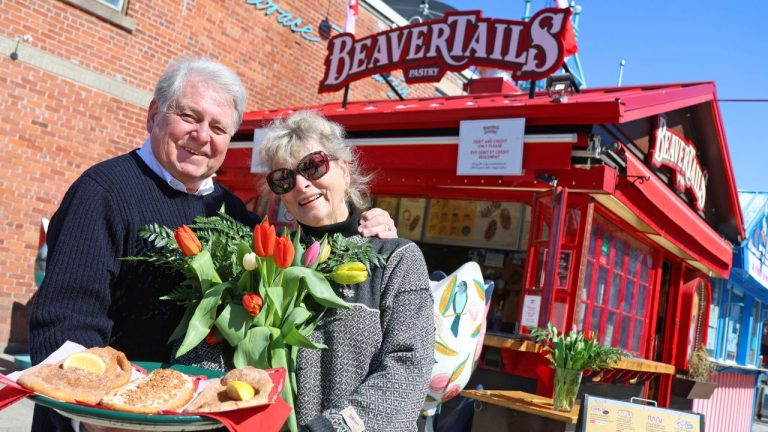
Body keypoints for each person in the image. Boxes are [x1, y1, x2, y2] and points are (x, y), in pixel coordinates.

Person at [28, 58, 397, 432]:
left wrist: (365, 225)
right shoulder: (102, 192)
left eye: (218, 127)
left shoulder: (230, 211)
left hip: (186, 416)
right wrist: (97, 417)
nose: (203, 136)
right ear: (154, 114)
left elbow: (301, 252)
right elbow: (66, 320)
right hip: (107, 419)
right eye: (189, 117)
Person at [181, 110, 434, 431]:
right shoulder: (264, 263)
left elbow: (408, 367)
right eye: (283, 178)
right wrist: (194, 393)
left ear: (344, 169)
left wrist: (333, 428)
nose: (301, 184)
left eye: (313, 166)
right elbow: (219, 348)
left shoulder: (396, 258)